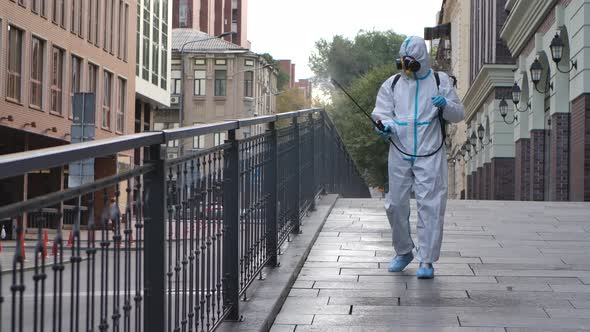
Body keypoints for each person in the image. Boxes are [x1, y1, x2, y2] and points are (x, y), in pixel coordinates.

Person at [371, 36, 465, 279]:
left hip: (429, 152)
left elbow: (458, 114)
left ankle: (426, 259)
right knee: (395, 204)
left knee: (431, 205)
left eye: (410, 62)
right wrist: (385, 126)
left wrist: (446, 105)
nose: (406, 68)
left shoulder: (439, 81)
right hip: (400, 150)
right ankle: (403, 251)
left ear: (420, 61)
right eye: (403, 62)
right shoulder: (392, 85)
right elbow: (380, 114)